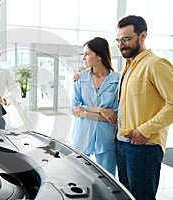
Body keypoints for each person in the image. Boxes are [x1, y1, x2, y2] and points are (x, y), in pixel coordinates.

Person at [115, 15, 173, 200]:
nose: (121, 45)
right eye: (118, 40)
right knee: (127, 196)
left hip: (144, 146)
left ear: (142, 36)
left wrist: (145, 130)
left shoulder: (156, 64)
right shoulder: (129, 67)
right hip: (123, 145)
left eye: (126, 39)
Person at [71, 37, 119, 176]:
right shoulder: (80, 78)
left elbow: (116, 116)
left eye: (87, 54)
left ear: (99, 56)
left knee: (107, 179)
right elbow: (75, 107)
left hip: (106, 138)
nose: (83, 58)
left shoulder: (117, 80)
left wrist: (85, 112)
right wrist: (101, 110)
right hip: (82, 136)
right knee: (78, 176)